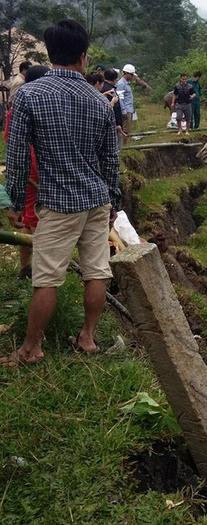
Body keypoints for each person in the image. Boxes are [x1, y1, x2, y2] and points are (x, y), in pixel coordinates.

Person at [2, 19, 119, 367]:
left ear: (51, 54)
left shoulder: (30, 95)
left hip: (59, 202)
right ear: (83, 57)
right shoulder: (99, 102)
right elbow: (111, 160)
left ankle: (31, 349)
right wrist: (114, 201)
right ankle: (87, 338)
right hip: (97, 199)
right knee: (97, 270)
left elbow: (18, 157)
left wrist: (13, 202)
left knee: (46, 277)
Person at [3, 65, 49, 279]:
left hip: (34, 169)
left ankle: (29, 269)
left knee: (33, 219)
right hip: (31, 169)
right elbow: (14, 145)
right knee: (33, 219)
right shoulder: (29, 107)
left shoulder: (21, 107)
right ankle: (34, 270)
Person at [101, 69, 126, 142]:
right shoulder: (110, 91)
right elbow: (114, 108)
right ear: (115, 79)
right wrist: (117, 123)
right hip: (113, 125)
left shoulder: (103, 88)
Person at [116, 64, 137, 144]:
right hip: (126, 110)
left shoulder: (127, 83)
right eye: (131, 74)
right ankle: (124, 146)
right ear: (126, 73)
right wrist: (123, 111)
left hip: (129, 109)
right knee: (125, 129)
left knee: (128, 129)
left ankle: (126, 144)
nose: (132, 76)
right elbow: (120, 98)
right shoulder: (121, 84)